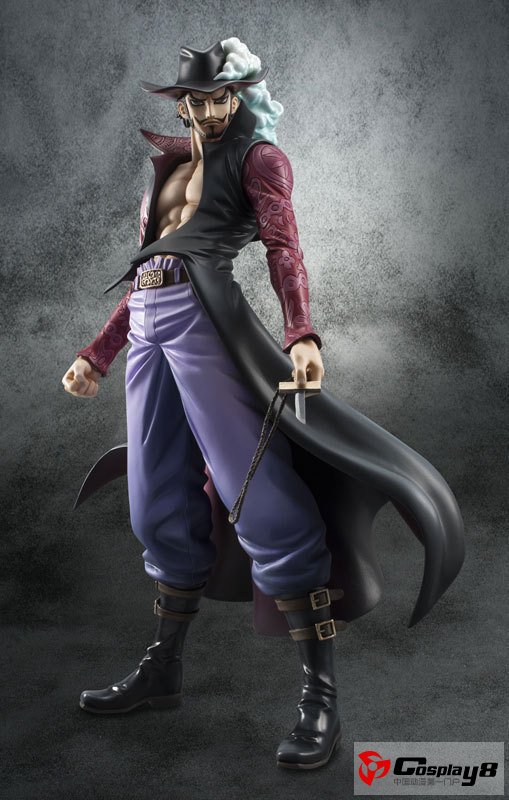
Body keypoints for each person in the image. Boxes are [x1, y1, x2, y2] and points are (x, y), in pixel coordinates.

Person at [62, 38, 465, 771]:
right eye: (199, 100)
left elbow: (284, 248)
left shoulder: (259, 159)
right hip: (149, 332)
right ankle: (163, 668)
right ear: (181, 104)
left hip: (207, 327)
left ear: (237, 96)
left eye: (223, 97)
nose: (212, 110)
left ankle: (320, 695)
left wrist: (301, 333)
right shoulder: (166, 168)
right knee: (155, 505)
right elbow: (147, 268)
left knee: (263, 499)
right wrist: (98, 353)